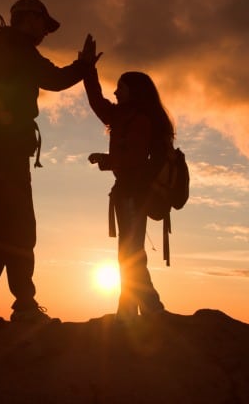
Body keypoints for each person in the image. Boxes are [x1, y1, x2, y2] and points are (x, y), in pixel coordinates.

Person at [0, 0, 99, 328]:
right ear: (27, 18)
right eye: (43, 24)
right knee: (1, 227)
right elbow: (54, 79)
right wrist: (85, 65)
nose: (45, 32)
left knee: (11, 226)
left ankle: (22, 303)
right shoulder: (15, 47)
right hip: (4, 149)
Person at [85, 67, 171, 323]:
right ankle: (131, 308)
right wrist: (88, 70)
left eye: (120, 87)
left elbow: (133, 159)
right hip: (128, 193)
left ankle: (150, 306)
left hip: (134, 193)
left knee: (130, 252)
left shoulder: (141, 120)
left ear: (134, 91)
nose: (115, 91)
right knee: (129, 251)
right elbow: (98, 103)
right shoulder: (124, 116)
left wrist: (106, 160)